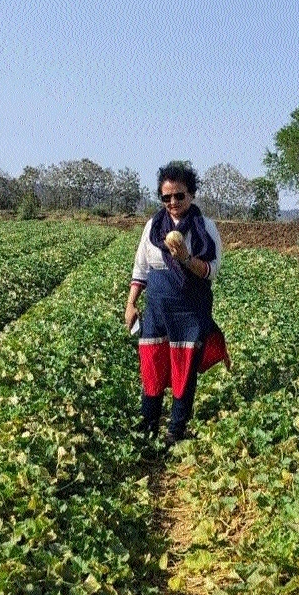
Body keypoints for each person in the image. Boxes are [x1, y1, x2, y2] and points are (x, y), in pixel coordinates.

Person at [125, 163, 228, 446]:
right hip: (157, 305)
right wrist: (131, 303)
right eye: (166, 197)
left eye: (179, 196)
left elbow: (211, 270)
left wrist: (185, 257)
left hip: (189, 307)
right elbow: (141, 268)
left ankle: (176, 428)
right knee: (153, 363)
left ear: (192, 195)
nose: (173, 202)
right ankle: (148, 422)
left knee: (184, 366)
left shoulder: (205, 228)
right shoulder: (153, 226)